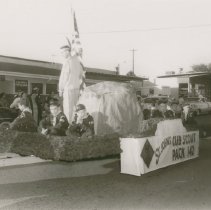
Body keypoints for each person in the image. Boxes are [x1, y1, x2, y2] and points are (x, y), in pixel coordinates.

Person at [58, 44, 85, 123]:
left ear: (67, 51)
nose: (62, 54)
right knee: (76, 110)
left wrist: (60, 90)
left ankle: (69, 129)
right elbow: (81, 75)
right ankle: (76, 127)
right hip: (76, 89)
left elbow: (64, 77)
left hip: (68, 89)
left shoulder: (67, 62)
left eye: (62, 52)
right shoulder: (77, 61)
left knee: (68, 111)